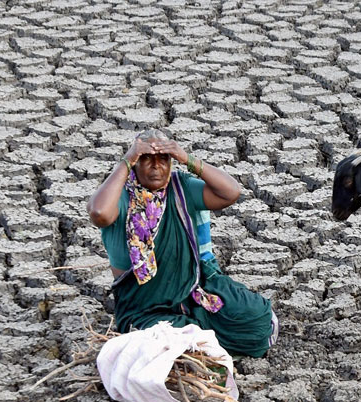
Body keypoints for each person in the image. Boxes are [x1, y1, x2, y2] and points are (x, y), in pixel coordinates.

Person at [87, 129, 278, 358]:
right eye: (147, 159)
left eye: (163, 159)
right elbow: (99, 213)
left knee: (255, 318)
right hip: (145, 308)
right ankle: (197, 339)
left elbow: (231, 193)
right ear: (136, 163)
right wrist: (127, 160)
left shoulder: (180, 188)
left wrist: (187, 159)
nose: (156, 166)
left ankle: (199, 335)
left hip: (194, 291)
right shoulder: (121, 196)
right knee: (166, 340)